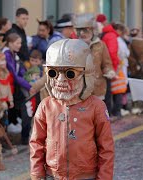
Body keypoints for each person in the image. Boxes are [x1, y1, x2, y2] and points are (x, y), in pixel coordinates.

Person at [29, 39, 114, 179]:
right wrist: (37, 175)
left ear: (85, 73)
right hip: (54, 176)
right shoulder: (46, 106)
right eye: (53, 73)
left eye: (70, 74)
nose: (60, 80)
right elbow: (36, 144)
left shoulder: (96, 107)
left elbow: (106, 148)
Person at [73, 13, 116, 118]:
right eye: (80, 30)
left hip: (97, 88)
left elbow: (106, 64)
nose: (82, 33)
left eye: (86, 30)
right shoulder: (73, 45)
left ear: (93, 30)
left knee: (97, 118)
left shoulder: (100, 45)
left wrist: (109, 71)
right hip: (78, 89)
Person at [4, 33, 33, 144]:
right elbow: (14, 75)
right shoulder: (6, 55)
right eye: (17, 43)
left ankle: (21, 135)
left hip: (13, 87)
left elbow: (21, 71)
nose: (20, 45)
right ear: (10, 43)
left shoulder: (13, 54)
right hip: (8, 87)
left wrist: (29, 80)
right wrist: (29, 86)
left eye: (20, 43)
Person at [113, 22, 131, 116]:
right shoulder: (118, 40)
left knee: (120, 87)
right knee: (119, 87)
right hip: (120, 65)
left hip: (121, 65)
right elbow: (124, 52)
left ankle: (121, 106)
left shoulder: (119, 39)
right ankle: (119, 108)